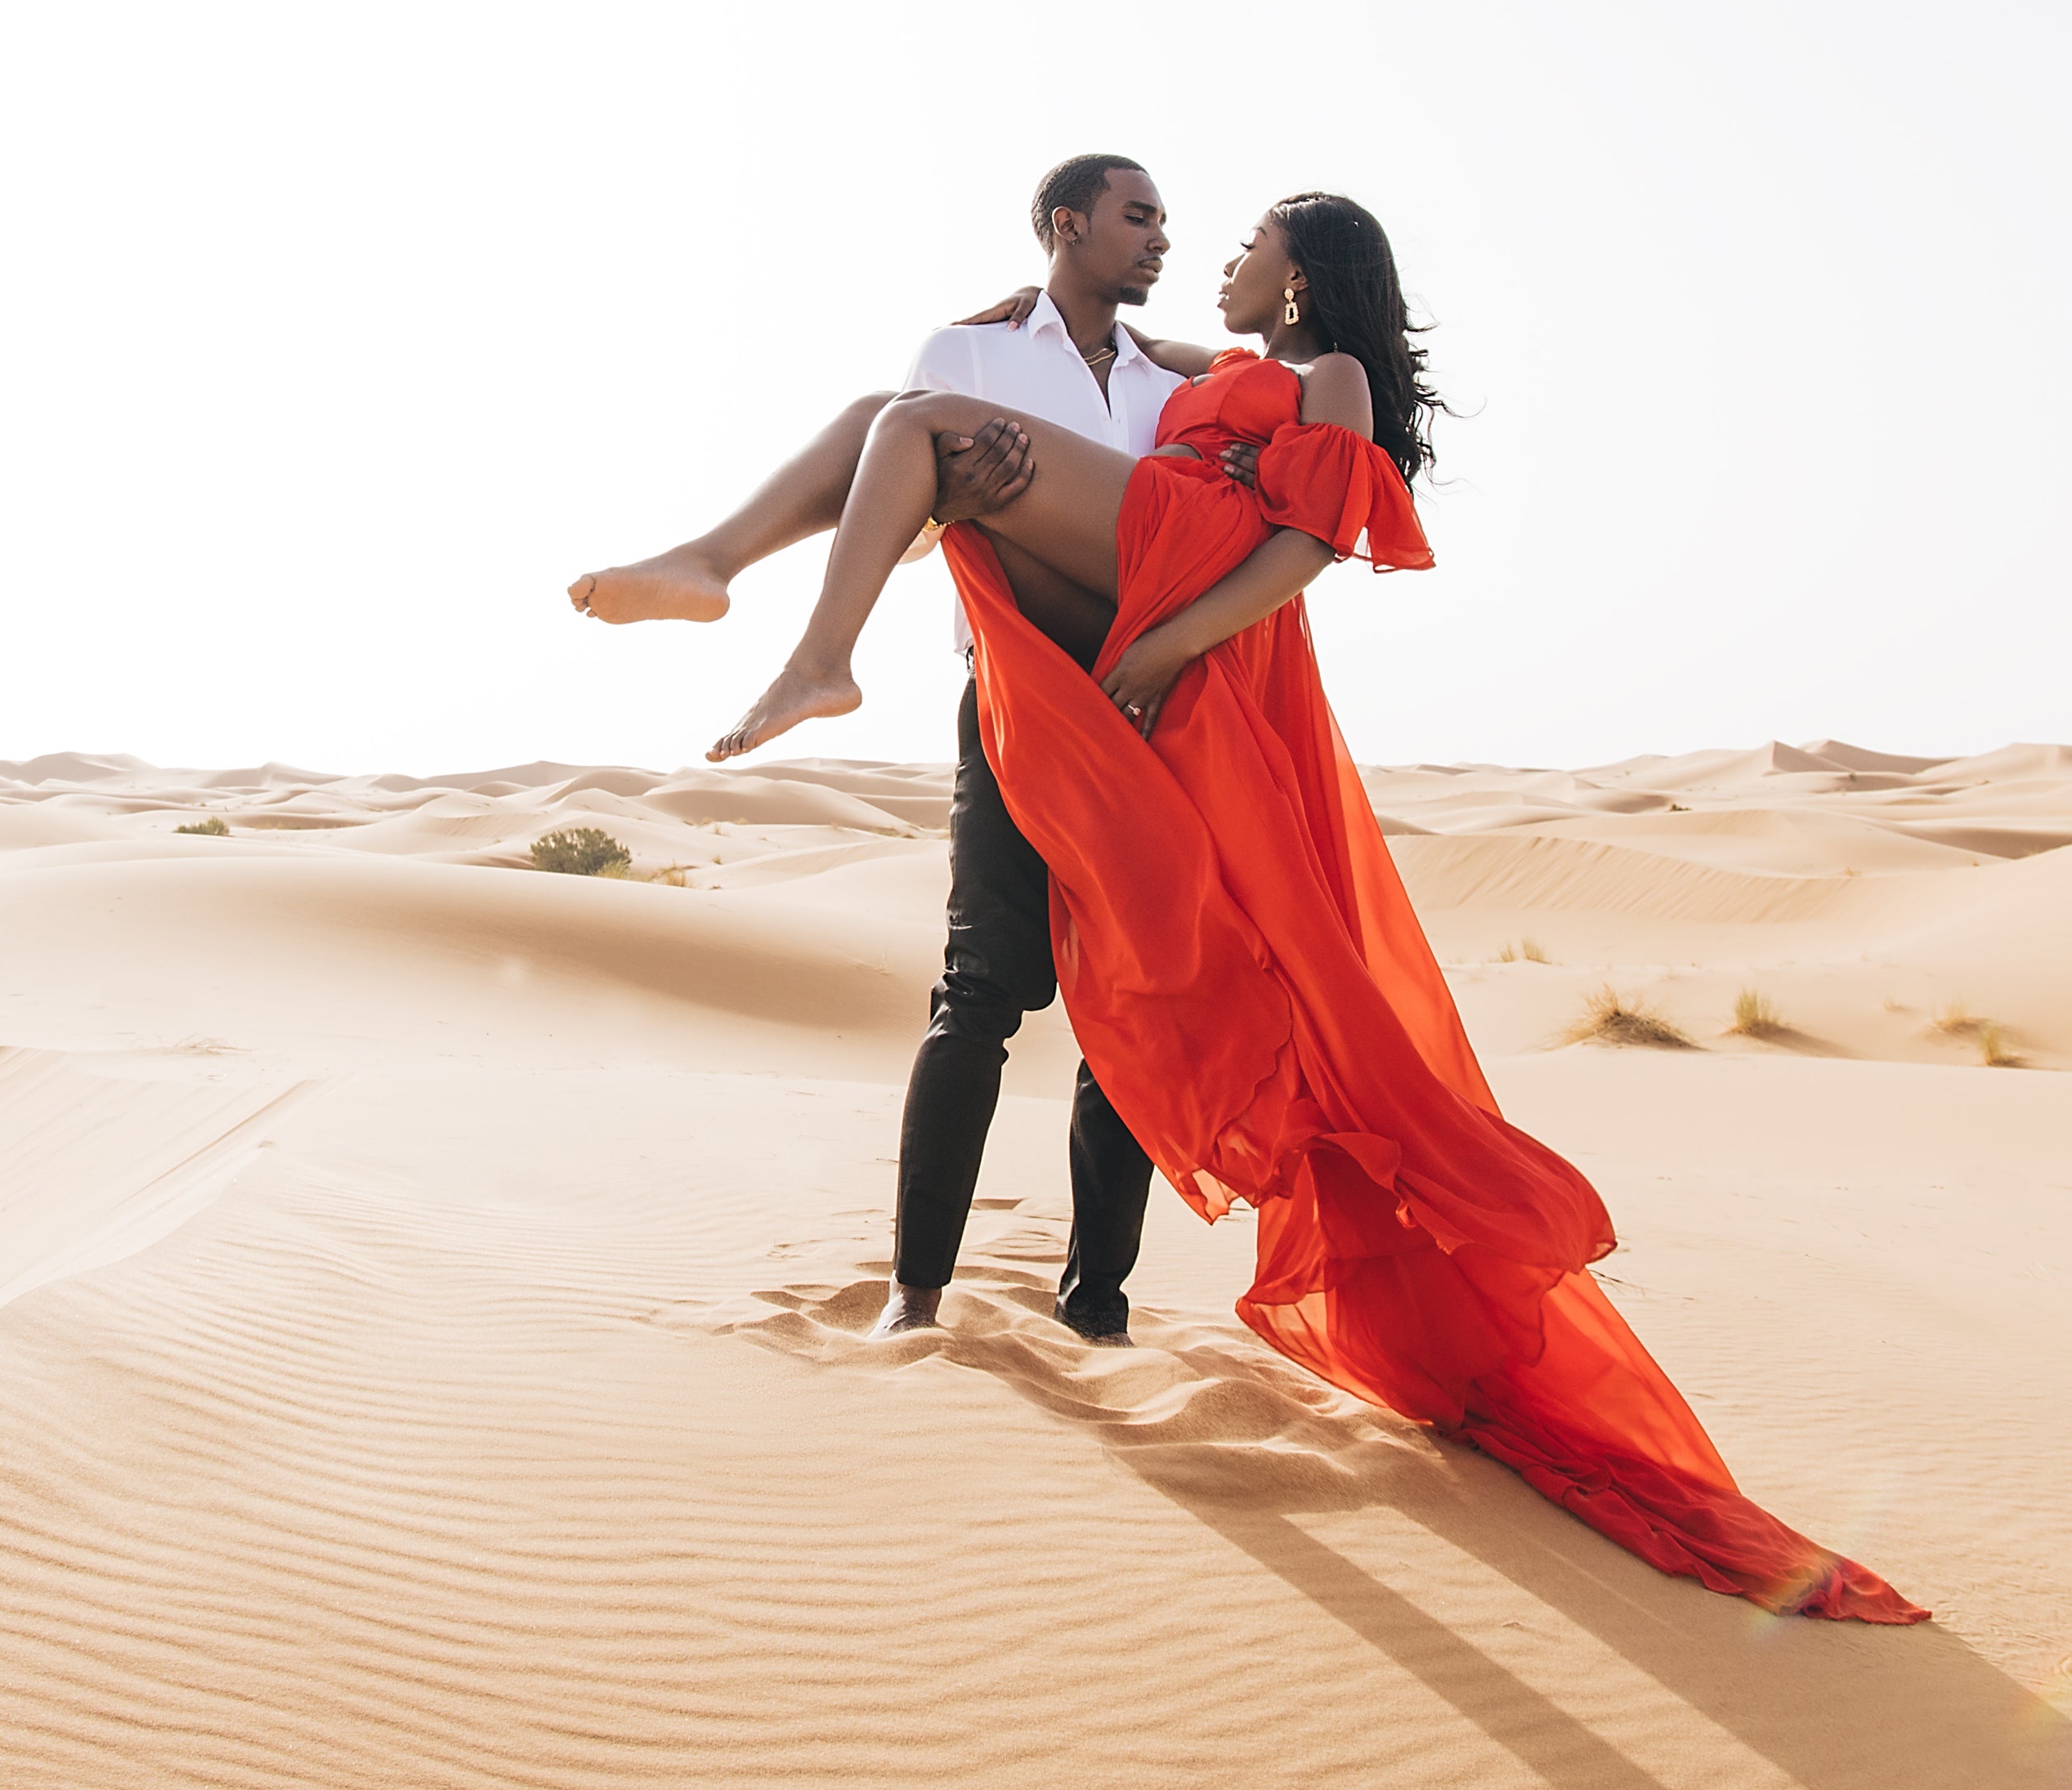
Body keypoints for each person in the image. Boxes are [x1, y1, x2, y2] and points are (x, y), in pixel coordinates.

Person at [662, 190, 1925, 1622]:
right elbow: (1120, 337)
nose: (1215, 250)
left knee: (914, 437)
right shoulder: (1207, 367)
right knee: (896, 420)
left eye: (1250, 235)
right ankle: (735, 579)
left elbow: (1311, 546)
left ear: (1309, 271)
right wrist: (1040, 319)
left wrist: (1176, 639)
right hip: (1130, 584)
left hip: (1188, 580)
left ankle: (810, 648)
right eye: (1159, 222)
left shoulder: (1329, 379)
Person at [572, 153, 1202, 1349]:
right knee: (978, 996)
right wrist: (965, 501)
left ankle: (1100, 1309)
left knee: (1134, 1007)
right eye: (1138, 217)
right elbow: (900, 522)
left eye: (1167, 219)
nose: (1161, 238)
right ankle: (915, 1298)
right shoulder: (969, 355)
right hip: (1015, 696)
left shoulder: (1171, 382)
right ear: (1066, 226)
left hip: (1145, 705)